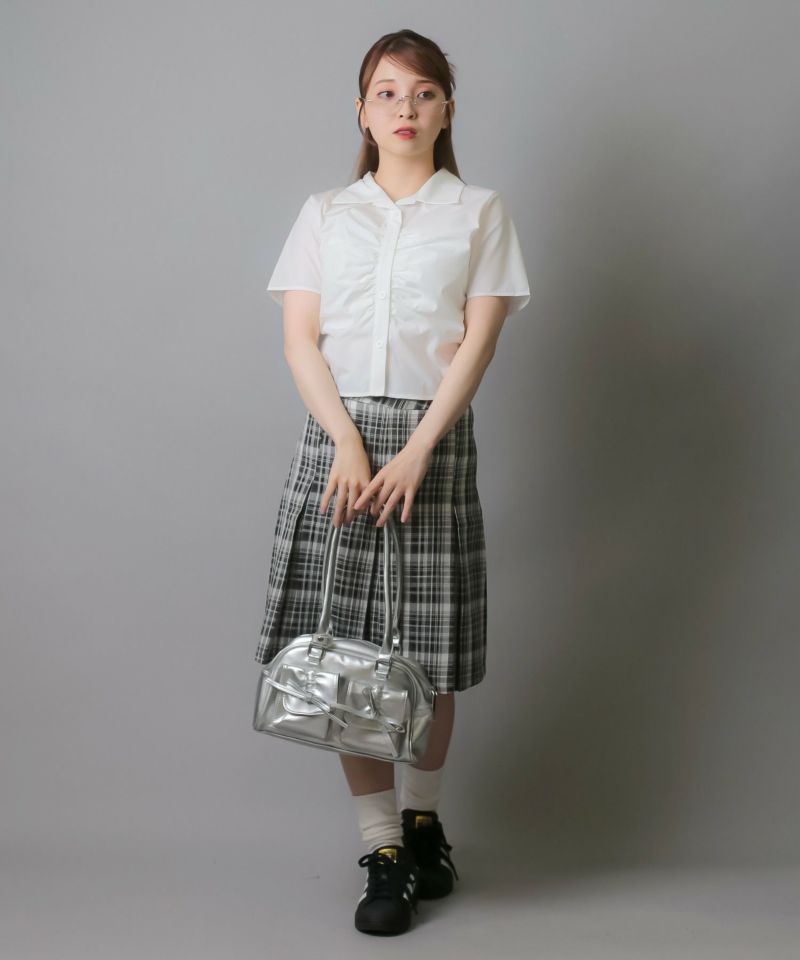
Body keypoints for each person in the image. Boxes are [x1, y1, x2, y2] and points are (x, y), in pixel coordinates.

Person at [254, 28, 530, 936]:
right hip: (338, 445)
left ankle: (423, 826)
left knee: (428, 652)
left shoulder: (480, 212)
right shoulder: (326, 213)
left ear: (447, 109)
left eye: (423, 93)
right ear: (362, 111)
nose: (404, 108)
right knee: (347, 651)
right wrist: (346, 439)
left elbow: (478, 343)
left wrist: (418, 448)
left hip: (432, 441)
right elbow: (301, 340)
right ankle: (381, 848)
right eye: (386, 92)